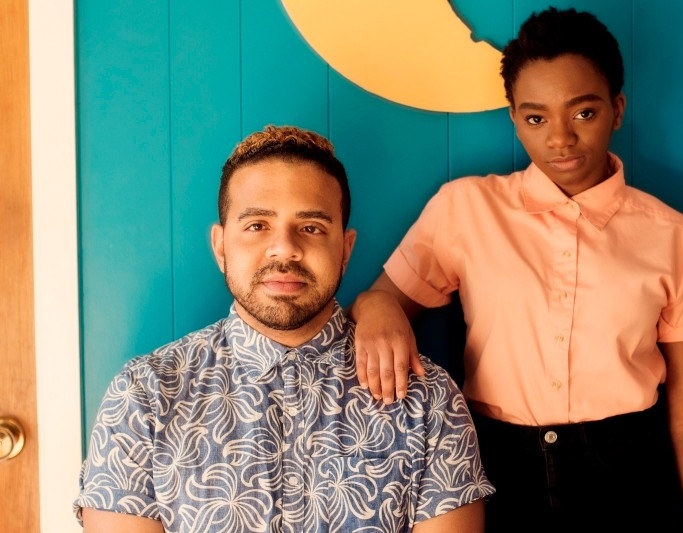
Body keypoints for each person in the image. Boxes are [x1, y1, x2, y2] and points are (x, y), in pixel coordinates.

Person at [349, 7, 683, 532]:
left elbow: (682, 392)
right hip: (497, 465)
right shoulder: (466, 208)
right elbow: (383, 301)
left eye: (584, 113)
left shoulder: (670, 233)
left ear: (617, 109)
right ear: (514, 118)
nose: (560, 139)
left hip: (629, 471)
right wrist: (374, 309)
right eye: (536, 118)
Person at [73, 125, 494, 532]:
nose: (285, 248)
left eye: (311, 227)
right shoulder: (144, 395)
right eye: (257, 225)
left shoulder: (426, 400)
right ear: (221, 246)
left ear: (345, 249)